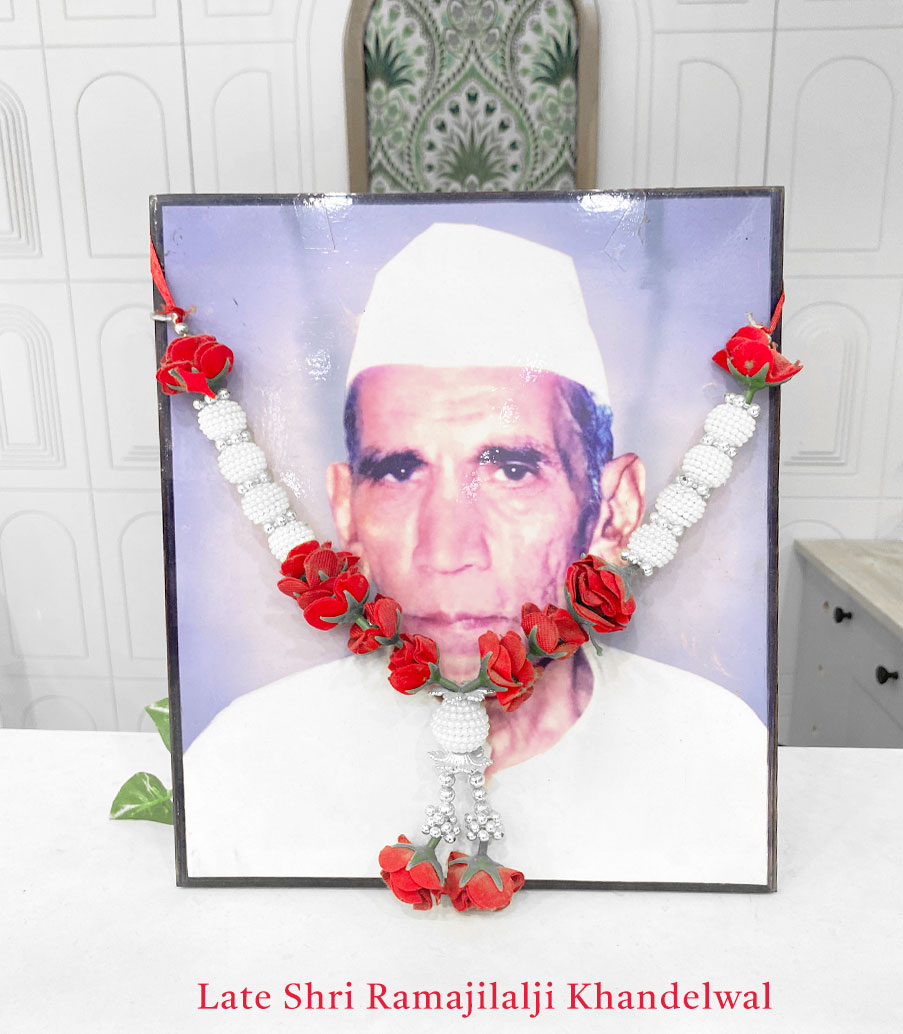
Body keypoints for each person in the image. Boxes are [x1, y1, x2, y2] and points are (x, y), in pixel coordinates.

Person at [183, 224, 769, 886]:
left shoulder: (714, 753)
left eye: (512, 470)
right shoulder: (249, 760)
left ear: (612, 511)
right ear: (346, 511)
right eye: (398, 472)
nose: (447, 551)